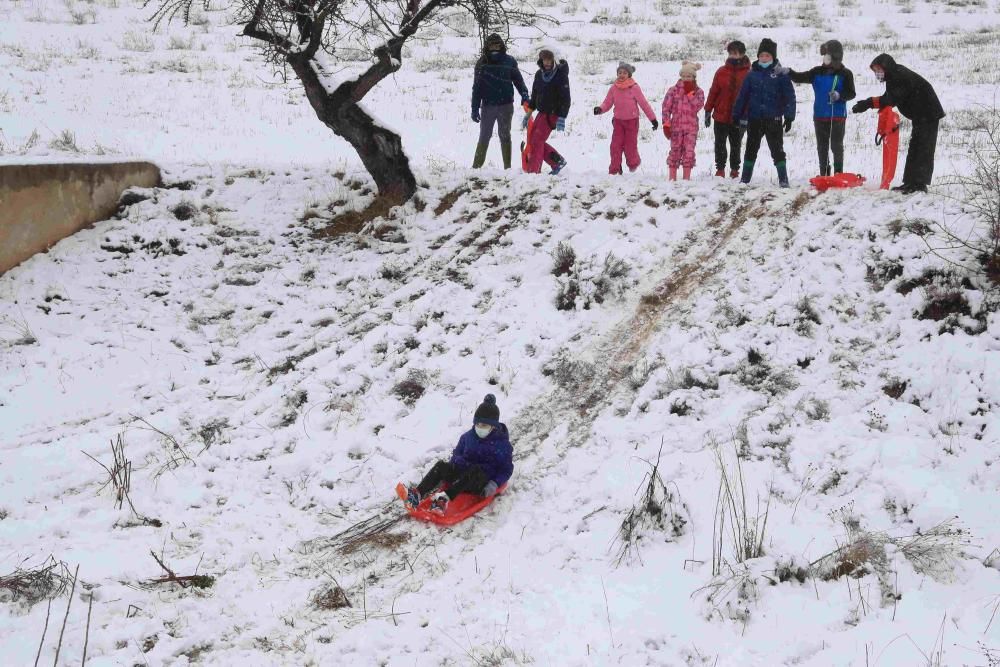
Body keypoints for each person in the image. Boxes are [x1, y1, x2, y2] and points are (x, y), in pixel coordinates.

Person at [403, 395, 513, 515]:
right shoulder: (467, 437)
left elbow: (506, 469)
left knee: (474, 471)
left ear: (493, 427)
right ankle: (417, 493)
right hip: (462, 474)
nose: (480, 428)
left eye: (485, 426)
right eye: (478, 425)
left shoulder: (501, 444)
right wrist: (456, 463)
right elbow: (456, 455)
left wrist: (494, 484)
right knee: (441, 466)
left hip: (480, 482)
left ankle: (443, 500)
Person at [851, 54, 945, 194]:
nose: (877, 73)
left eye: (879, 69)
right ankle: (910, 182)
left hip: (928, 112)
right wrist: (870, 103)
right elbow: (888, 98)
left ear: (886, 67)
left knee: (923, 147)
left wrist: (868, 103)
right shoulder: (894, 76)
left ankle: (919, 184)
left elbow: (889, 100)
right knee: (915, 146)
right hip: (920, 114)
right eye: (875, 70)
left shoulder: (899, 76)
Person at [780, 40, 855, 176]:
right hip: (819, 116)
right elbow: (799, 77)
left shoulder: (845, 74)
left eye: (828, 55)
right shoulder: (817, 72)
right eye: (824, 55)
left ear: (836, 56)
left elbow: (851, 93)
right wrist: (789, 72)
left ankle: (839, 173)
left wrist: (839, 95)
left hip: (837, 116)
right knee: (822, 147)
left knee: (836, 146)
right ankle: (824, 172)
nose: (825, 58)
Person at [732, 38, 796, 187]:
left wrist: (789, 116)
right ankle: (745, 178)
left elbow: (789, 97)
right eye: (761, 56)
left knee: (777, 150)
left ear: (773, 57)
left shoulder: (781, 75)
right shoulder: (751, 74)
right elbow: (743, 96)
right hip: (754, 119)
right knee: (750, 149)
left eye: (767, 56)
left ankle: (783, 179)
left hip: (773, 119)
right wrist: (737, 114)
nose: (764, 58)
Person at [471, 33, 531, 170]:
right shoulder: (482, 63)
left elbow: (518, 80)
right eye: (492, 45)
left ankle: (507, 168)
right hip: (487, 106)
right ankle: (475, 168)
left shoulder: (509, 61)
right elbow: (477, 88)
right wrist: (474, 108)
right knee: (484, 136)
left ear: (501, 46)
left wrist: (524, 94)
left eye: (497, 45)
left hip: (506, 106)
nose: (494, 48)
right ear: (487, 46)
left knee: (505, 136)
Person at [593, 62, 658, 175]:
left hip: (632, 122)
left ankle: (633, 163)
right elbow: (607, 102)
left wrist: (653, 119)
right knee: (615, 146)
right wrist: (600, 109)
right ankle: (615, 169)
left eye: (624, 73)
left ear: (629, 75)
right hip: (618, 121)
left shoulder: (634, 88)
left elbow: (644, 104)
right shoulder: (614, 88)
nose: (622, 75)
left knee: (629, 146)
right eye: (620, 72)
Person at [705, 41, 752, 179]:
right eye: (731, 53)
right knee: (719, 144)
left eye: (736, 53)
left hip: (739, 117)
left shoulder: (749, 73)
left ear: (742, 54)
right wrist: (708, 110)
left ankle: (735, 169)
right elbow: (714, 91)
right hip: (720, 115)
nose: (733, 56)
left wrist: (746, 116)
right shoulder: (721, 71)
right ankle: (720, 168)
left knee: (736, 145)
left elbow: (750, 96)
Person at [523, 49, 571, 175]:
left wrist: (562, 117)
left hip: (553, 114)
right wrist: (529, 113)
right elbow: (535, 95)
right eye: (545, 60)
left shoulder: (560, 75)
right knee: (533, 139)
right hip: (542, 113)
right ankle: (557, 161)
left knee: (537, 140)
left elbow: (566, 97)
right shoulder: (539, 74)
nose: (547, 63)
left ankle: (534, 172)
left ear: (554, 60)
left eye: (550, 60)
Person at [661, 61, 705, 181]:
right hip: (676, 127)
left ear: (694, 77)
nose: (686, 78)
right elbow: (666, 108)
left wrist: (690, 94)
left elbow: (698, 106)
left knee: (689, 152)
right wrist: (666, 124)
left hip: (691, 128)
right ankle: (672, 178)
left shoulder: (699, 92)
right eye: (684, 76)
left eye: (689, 76)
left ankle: (686, 178)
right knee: (675, 151)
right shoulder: (673, 90)